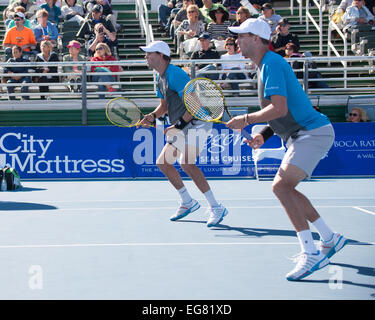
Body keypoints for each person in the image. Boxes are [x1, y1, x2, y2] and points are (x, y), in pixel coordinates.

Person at [227, 18, 348, 281]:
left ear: (257, 39)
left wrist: (246, 120)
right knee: (287, 188)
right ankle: (329, 238)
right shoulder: (265, 66)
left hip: (311, 132)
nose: (237, 40)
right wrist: (264, 135)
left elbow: (279, 108)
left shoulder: (271, 63)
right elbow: (283, 109)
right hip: (300, 134)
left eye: (242, 36)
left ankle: (311, 252)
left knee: (280, 187)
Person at [139, 40, 228, 227]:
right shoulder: (160, 78)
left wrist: (177, 126)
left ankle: (216, 207)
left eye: (150, 53)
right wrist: (152, 116)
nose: (146, 56)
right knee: (163, 162)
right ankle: (187, 202)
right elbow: (164, 106)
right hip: (183, 125)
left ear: (162, 56)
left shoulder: (176, 74)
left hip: (198, 123)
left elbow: (195, 105)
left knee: (186, 162)